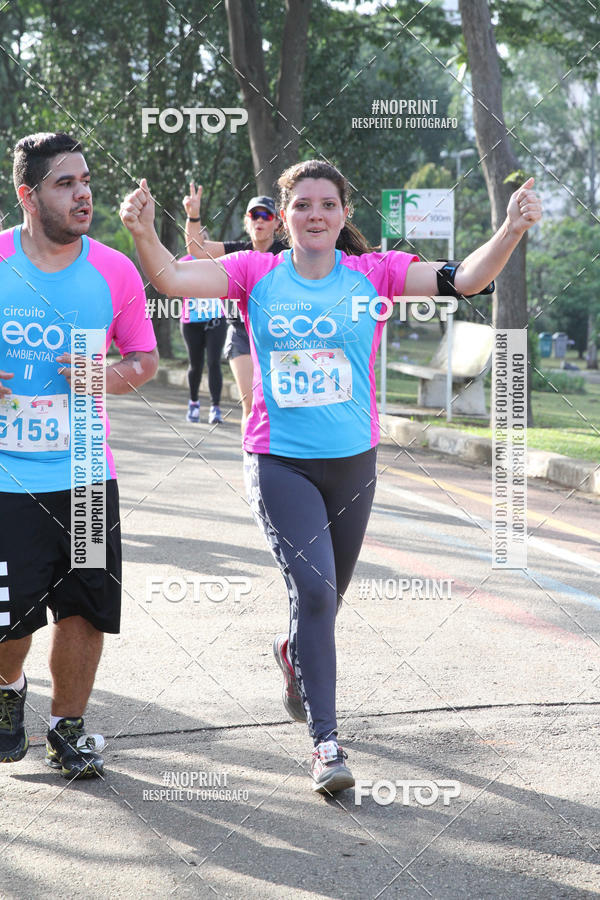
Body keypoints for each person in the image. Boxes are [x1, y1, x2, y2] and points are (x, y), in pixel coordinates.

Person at [120, 159, 542, 794]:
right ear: (285, 218)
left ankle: (293, 653)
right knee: (315, 594)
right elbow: (174, 279)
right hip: (279, 459)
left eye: (327, 204)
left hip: (353, 463)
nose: (315, 214)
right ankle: (326, 745)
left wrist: (509, 230)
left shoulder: (376, 274)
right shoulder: (253, 272)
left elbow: (468, 279)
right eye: (302, 205)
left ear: (345, 215)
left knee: (325, 600)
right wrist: (145, 233)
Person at [0, 132, 158, 779]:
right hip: (8, 479)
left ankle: (69, 728)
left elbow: (143, 359)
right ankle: (9, 693)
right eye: (65, 183)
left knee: (84, 607)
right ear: (28, 194)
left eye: (86, 179)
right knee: (8, 620)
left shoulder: (114, 270)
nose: (83, 192)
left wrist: (103, 377)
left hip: (90, 477)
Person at [182, 182, 286, 431]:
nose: (260, 220)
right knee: (251, 406)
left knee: (279, 408)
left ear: (277, 224)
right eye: (254, 215)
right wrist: (193, 215)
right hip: (241, 333)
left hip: (281, 336)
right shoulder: (238, 251)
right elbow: (197, 248)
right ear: (247, 221)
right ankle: (250, 464)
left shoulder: (288, 254)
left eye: (266, 215)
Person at [179, 254, 227, 425]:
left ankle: (216, 408)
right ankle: (194, 403)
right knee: (195, 365)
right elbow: (172, 285)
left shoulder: (218, 260)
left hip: (216, 320)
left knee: (214, 362)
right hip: (191, 322)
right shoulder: (184, 262)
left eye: (203, 239)